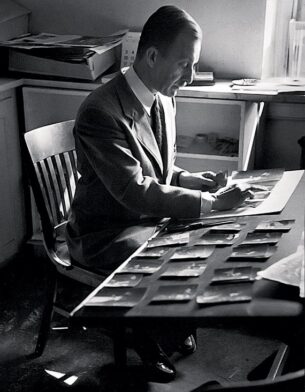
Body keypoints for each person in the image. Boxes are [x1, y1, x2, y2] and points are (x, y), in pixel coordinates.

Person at [66, 5, 252, 382]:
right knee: (185, 243)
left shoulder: (162, 96)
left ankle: (162, 328)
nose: (191, 75)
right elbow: (133, 190)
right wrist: (210, 203)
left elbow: (159, 170)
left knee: (203, 237)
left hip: (142, 218)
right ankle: (146, 337)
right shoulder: (101, 111)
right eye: (185, 64)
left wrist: (193, 180)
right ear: (151, 56)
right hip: (106, 231)